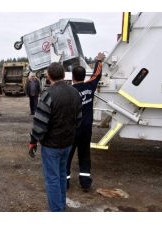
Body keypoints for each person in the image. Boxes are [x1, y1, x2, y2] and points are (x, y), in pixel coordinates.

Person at [28, 62, 82, 212]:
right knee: (61, 175)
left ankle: (56, 211)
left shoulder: (48, 95)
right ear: (64, 75)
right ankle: (60, 205)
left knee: (52, 179)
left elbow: (39, 124)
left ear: (48, 76)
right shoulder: (74, 93)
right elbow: (78, 120)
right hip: (67, 143)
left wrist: (33, 141)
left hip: (51, 146)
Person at [66, 52, 105, 191]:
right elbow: (97, 75)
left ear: (72, 77)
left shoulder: (69, 91)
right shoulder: (90, 87)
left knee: (67, 156)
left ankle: (65, 182)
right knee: (84, 155)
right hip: (86, 129)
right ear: (84, 76)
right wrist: (98, 61)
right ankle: (85, 182)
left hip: (72, 130)